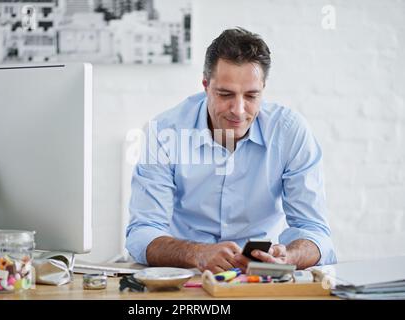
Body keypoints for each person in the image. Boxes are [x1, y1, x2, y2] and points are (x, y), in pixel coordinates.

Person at [126, 28, 337, 273]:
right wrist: (198, 254)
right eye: (225, 94)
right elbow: (142, 233)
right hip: (187, 272)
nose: (238, 110)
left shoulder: (290, 132)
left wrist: (289, 256)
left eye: (251, 96)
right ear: (206, 86)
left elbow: (316, 232)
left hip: (261, 276)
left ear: (263, 88)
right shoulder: (163, 132)